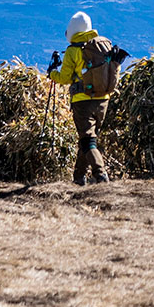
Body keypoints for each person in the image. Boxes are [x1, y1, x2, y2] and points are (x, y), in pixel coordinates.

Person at [49, 11, 119, 186]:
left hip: (82, 101)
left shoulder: (73, 51)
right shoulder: (101, 45)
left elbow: (65, 78)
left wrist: (52, 73)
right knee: (88, 140)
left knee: (88, 140)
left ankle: (101, 175)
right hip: (103, 99)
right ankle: (78, 178)